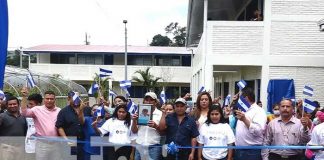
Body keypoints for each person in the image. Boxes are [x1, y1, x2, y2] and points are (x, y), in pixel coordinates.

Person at [21, 90, 61, 160]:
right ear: (43, 100)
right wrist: (24, 97)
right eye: (47, 98)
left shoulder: (59, 111)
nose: (49, 100)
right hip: (42, 144)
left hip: (56, 144)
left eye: (51, 99)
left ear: (55, 100)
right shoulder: (36, 109)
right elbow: (24, 113)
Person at [234, 87, 267, 160]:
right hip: (238, 150)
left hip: (252, 152)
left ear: (246, 98)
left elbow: (259, 131)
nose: (239, 100)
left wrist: (244, 119)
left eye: (240, 98)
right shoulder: (243, 109)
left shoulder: (259, 111)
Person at [132, 92, 163, 160]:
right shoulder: (138, 112)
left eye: (151, 100)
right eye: (147, 100)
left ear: (155, 102)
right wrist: (134, 120)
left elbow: (163, 132)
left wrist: (155, 126)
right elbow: (134, 131)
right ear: (144, 101)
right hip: (139, 145)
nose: (148, 102)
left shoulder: (160, 114)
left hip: (153, 146)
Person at [56, 91, 84, 160]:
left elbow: (83, 122)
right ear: (68, 99)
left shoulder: (85, 109)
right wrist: (66, 140)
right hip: (70, 142)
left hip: (83, 142)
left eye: (78, 97)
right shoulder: (63, 111)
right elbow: (59, 127)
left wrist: (81, 110)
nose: (76, 99)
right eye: (74, 97)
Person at [0, 96, 27, 160]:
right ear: (7, 106)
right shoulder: (2, 117)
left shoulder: (23, 117)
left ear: (18, 105)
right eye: (10, 104)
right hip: (6, 147)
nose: (12, 106)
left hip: (20, 147)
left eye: (14, 104)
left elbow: (25, 131)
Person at [21, 88, 43, 159]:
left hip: (43, 146)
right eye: (28, 104)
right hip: (30, 146)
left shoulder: (45, 114)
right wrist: (24, 96)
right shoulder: (26, 114)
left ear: (39, 104)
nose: (29, 106)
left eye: (31, 104)